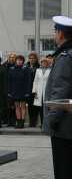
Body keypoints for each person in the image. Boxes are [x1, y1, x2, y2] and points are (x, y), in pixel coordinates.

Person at [42, 16, 72, 179]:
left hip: (64, 124)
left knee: (64, 169)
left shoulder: (65, 56)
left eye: (56, 32)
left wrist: (52, 118)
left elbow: (61, 90)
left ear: (60, 34)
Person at [7, 55, 31, 129]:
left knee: (23, 107)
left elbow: (28, 81)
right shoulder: (12, 69)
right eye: (17, 60)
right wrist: (9, 91)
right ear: (16, 61)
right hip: (14, 90)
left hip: (23, 90)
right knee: (17, 107)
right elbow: (9, 81)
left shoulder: (26, 69)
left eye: (20, 60)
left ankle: (22, 122)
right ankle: (18, 121)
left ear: (23, 61)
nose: (19, 61)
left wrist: (28, 91)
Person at [32, 58, 51, 128]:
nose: (43, 63)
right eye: (42, 62)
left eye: (45, 62)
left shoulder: (50, 70)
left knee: (46, 108)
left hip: (47, 91)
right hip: (39, 91)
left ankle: (46, 123)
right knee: (40, 109)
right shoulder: (38, 70)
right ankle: (42, 123)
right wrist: (34, 91)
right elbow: (35, 81)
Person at [2, 52, 17, 127]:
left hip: (16, 89)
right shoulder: (5, 66)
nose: (12, 58)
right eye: (10, 57)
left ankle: (15, 120)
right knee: (8, 106)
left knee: (15, 106)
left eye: (13, 57)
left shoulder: (17, 66)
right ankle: (9, 121)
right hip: (7, 88)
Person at [26, 51, 40, 127]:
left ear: (36, 59)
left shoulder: (38, 66)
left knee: (35, 105)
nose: (31, 60)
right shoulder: (26, 66)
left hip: (36, 88)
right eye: (30, 58)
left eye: (33, 58)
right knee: (30, 105)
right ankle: (31, 119)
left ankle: (35, 119)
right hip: (28, 88)